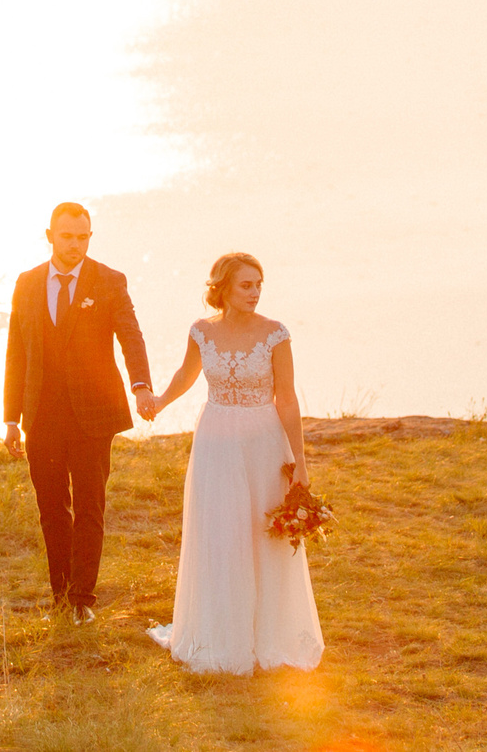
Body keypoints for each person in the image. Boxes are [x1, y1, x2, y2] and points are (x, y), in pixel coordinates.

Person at [142, 251, 324, 673]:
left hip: (263, 441)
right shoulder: (201, 331)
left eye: (259, 284)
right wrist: (160, 402)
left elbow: (287, 397)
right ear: (223, 287)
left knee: (264, 534)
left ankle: (269, 637)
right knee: (222, 533)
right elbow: (188, 375)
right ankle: (222, 636)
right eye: (246, 285)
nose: (255, 292)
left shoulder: (276, 334)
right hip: (217, 441)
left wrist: (299, 460)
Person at [3, 201, 153, 623]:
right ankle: (61, 596)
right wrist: (11, 416)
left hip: (93, 413)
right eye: (67, 236)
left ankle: (82, 600)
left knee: (90, 506)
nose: (75, 245)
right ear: (50, 235)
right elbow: (17, 352)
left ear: (90, 236)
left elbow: (131, 335)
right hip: (41, 415)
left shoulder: (108, 280)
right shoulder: (27, 283)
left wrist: (141, 385)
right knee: (51, 508)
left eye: (83, 236)